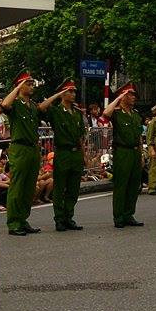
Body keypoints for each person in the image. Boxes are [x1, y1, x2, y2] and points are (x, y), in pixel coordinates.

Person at [38, 78, 87, 231]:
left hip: (76, 153)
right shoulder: (56, 111)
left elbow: (80, 137)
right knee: (60, 188)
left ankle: (68, 217)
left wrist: (83, 155)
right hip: (63, 153)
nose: (73, 94)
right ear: (62, 94)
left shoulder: (77, 113)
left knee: (73, 188)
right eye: (69, 91)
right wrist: (57, 94)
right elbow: (41, 108)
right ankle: (59, 219)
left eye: (74, 91)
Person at [1, 71, 43, 236]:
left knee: (29, 187)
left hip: (33, 148)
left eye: (32, 83)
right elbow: (4, 104)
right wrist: (18, 86)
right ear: (19, 85)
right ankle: (13, 222)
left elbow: (43, 107)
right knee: (17, 186)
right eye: (28, 83)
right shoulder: (15, 104)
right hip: (19, 148)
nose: (32, 86)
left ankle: (23, 219)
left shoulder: (32, 105)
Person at [105, 82, 144, 228]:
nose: (133, 97)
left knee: (134, 185)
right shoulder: (116, 113)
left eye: (133, 94)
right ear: (123, 96)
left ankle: (129, 214)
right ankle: (119, 216)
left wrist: (140, 155)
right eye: (130, 94)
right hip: (122, 151)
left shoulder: (135, 115)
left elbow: (139, 136)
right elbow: (105, 114)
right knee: (121, 185)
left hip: (134, 152)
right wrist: (118, 98)